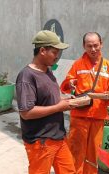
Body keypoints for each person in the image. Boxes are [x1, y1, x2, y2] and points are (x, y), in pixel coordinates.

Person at [15, 30, 76, 174]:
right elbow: (26, 112)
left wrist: (65, 101)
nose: (57, 57)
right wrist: (59, 107)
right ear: (42, 50)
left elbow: (48, 100)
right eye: (54, 52)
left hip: (58, 137)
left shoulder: (47, 71)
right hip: (40, 141)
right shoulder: (27, 76)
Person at [60, 32, 109, 174]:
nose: (93, 49)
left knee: (93, 154)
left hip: (98, 117)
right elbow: (65, 84)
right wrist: (71, 83)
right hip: (79, 116)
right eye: (89, 46)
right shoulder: (78, 64)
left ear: (101, 44)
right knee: (76, 151)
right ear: (84, 46)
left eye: (96, 45)